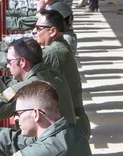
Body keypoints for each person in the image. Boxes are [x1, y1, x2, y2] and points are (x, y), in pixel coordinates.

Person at [34, 9, 91, 137]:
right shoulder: (60, 46)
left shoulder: (52, 52)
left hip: (69, 127)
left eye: (39, 28)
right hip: (74, 123)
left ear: (52, 31)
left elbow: (26, 64)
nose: (35, 32)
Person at [0, 38, 76, 124]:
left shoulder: (28, 88)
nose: (8, 66)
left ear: (22, 62)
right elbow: (13, 84)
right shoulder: (54, 75)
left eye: (9, 61)